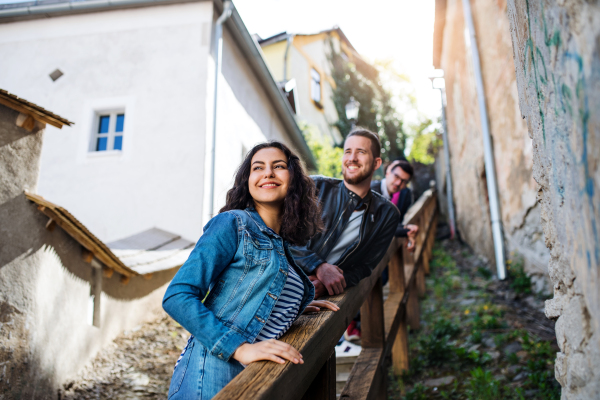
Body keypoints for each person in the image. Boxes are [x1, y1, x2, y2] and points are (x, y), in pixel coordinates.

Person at [163, 141, 339, 400]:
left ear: (294, 179)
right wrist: (240, 348)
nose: (268, 173)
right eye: (258, 167)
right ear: (248, 181)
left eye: (278, 166)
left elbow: (253, 299)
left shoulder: (281, 243)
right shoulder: (233, 224)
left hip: (253, 380)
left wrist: (291, 307)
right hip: (211, 375)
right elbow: (177, 296)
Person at [290, 128, 401, 301]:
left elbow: (365, 267)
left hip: (322, 303)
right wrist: (319, 267)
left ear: (376, 163)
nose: (352, 158)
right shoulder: (315, 187)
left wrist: (330, 285)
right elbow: (279, 236)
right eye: (347, 151)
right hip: (280, 286)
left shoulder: (387, 214)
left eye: (361, 152)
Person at [370, 159, 419, 246]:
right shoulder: (372, 192)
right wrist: (406, 231)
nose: (398, 183)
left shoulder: (387, 195)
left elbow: (387, 222)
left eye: (404, 181)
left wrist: (405, 228)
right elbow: (379, 227)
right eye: (396, 176)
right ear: (388, 172)